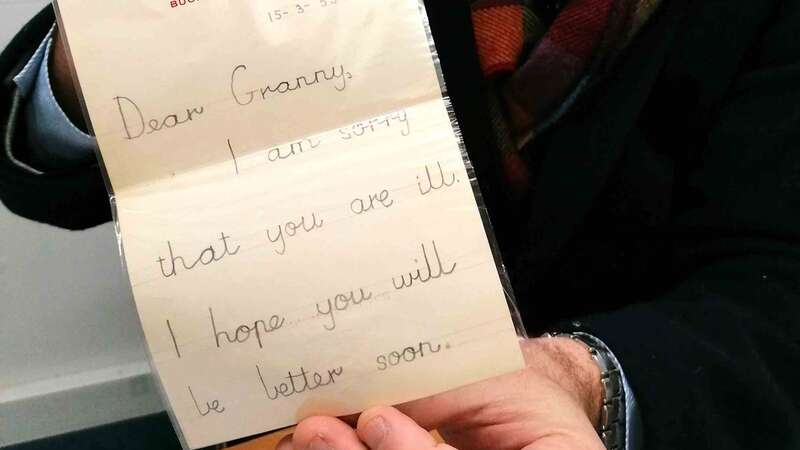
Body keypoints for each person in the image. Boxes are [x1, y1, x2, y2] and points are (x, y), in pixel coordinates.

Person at [1, 1, 799, 449]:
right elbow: (39, 169)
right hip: (275, 420)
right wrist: (92, 73)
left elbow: (776, 294)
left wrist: (583, 380)